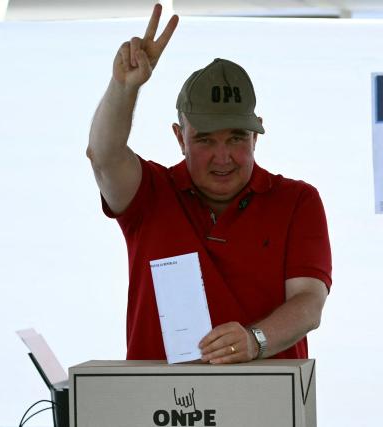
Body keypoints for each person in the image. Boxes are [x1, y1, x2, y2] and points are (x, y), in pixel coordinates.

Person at [87, 3, 332, 364]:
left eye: (236, 138)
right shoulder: (150, 192)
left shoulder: (297, 200)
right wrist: (124, 88)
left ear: (256, 135)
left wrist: (255, 340)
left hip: (264, 405)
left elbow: (310, 301)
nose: (223, 157)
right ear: (179, 136)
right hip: (162, 410)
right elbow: (104, 156)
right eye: (205, 140)